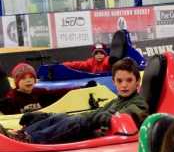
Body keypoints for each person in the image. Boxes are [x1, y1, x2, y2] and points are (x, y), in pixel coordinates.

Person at [0, 58, 148, 144]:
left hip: (107, 138)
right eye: (120, 81)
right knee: (62, 117)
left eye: (129, 80)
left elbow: (123, 117)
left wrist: (97, 118)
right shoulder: (115, 101)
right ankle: (24, 133)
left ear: (137, 82)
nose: (124, 85)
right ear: (114, 82)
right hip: (102, 130)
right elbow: (97, 113)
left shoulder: (138, 103)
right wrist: (49, 116)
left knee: (78, 121)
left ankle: (30, 140)